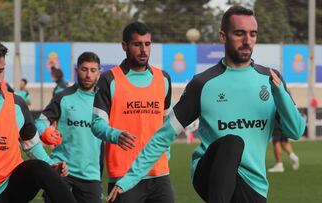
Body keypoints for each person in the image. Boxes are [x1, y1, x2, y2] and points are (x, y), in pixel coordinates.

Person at [107, 6, 306, 203]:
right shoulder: (203, 83)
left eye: (252, 34)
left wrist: (280, 94)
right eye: (239, 33)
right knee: (232, 142)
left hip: (252, 184)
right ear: (222, 36)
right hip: (208, 173)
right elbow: (163, 136)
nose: (247, 41)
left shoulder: (270, 80)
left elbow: (296, 131)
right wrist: (128, 180)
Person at [0, 39, 76, 203]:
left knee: (41, 169)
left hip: (11, 185)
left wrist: (52, 166)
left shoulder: (16, 104)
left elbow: (32, 144)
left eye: (0, 71)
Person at [91, 22, 174, 203]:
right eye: (137, 44)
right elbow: (96, 124)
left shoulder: (164, 79)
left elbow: (166, 122)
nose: (143, 49)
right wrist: (115, 135)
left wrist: (165, 152)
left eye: (147, 44)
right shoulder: (109, 80)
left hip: (159, 173)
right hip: (123, 174)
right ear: (124, 46)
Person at [35, 52, 103, 203]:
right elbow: (40, 122)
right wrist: (44, 131)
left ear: (99, 72)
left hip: (91, 175)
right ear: (76, 70)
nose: (88, 75)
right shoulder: (63, 97)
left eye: (93, 70)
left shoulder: (104, 101)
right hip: (62, 172)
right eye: (84, 69)